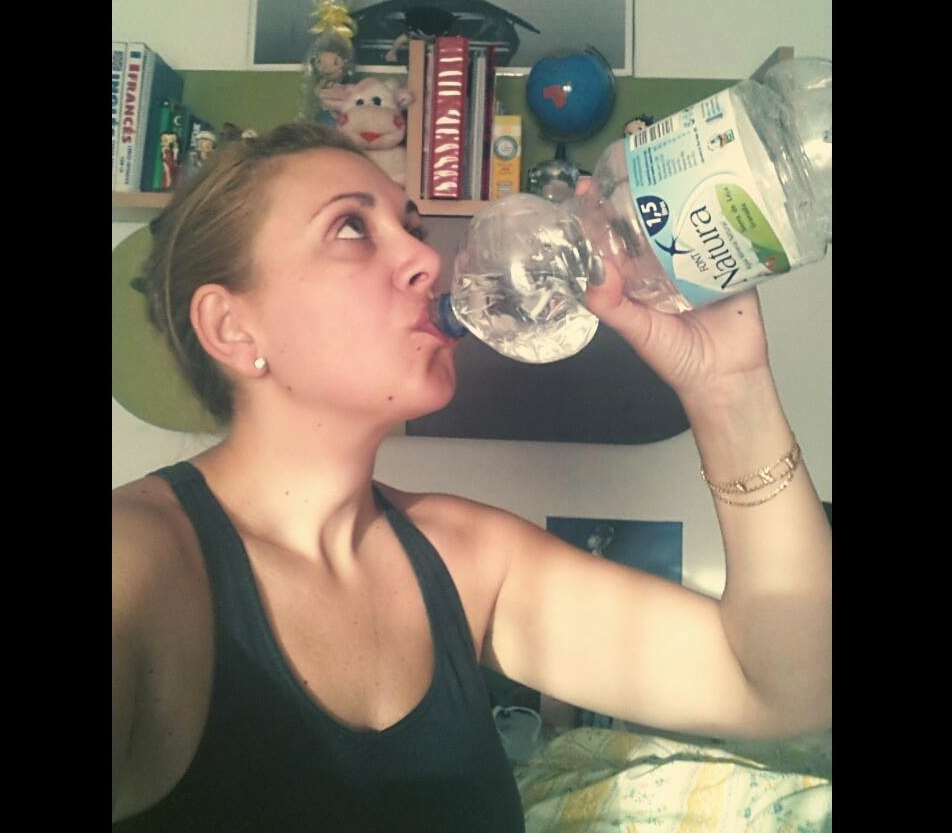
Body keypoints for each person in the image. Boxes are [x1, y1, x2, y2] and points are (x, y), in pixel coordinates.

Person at [112, 122, 832, 831]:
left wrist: (727, 389)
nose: (426, 258)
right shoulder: (135, 568)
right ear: (232, 328)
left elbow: (780, 687)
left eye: (411, 226)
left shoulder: (466, 559)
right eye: (351, 229)